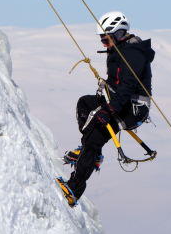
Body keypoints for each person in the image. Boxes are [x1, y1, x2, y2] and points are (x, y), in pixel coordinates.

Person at [57, 11, 155, 207]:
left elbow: (127, 88)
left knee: (94, 137)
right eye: (102, 40)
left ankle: (74, 190)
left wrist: (109, 109)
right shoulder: (120, 50)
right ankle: (92, 154)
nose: (104, 44)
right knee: (85, 104)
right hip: (121, 102)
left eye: (106, 39)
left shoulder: (132, 54)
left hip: (132, 109)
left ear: (119, 34)